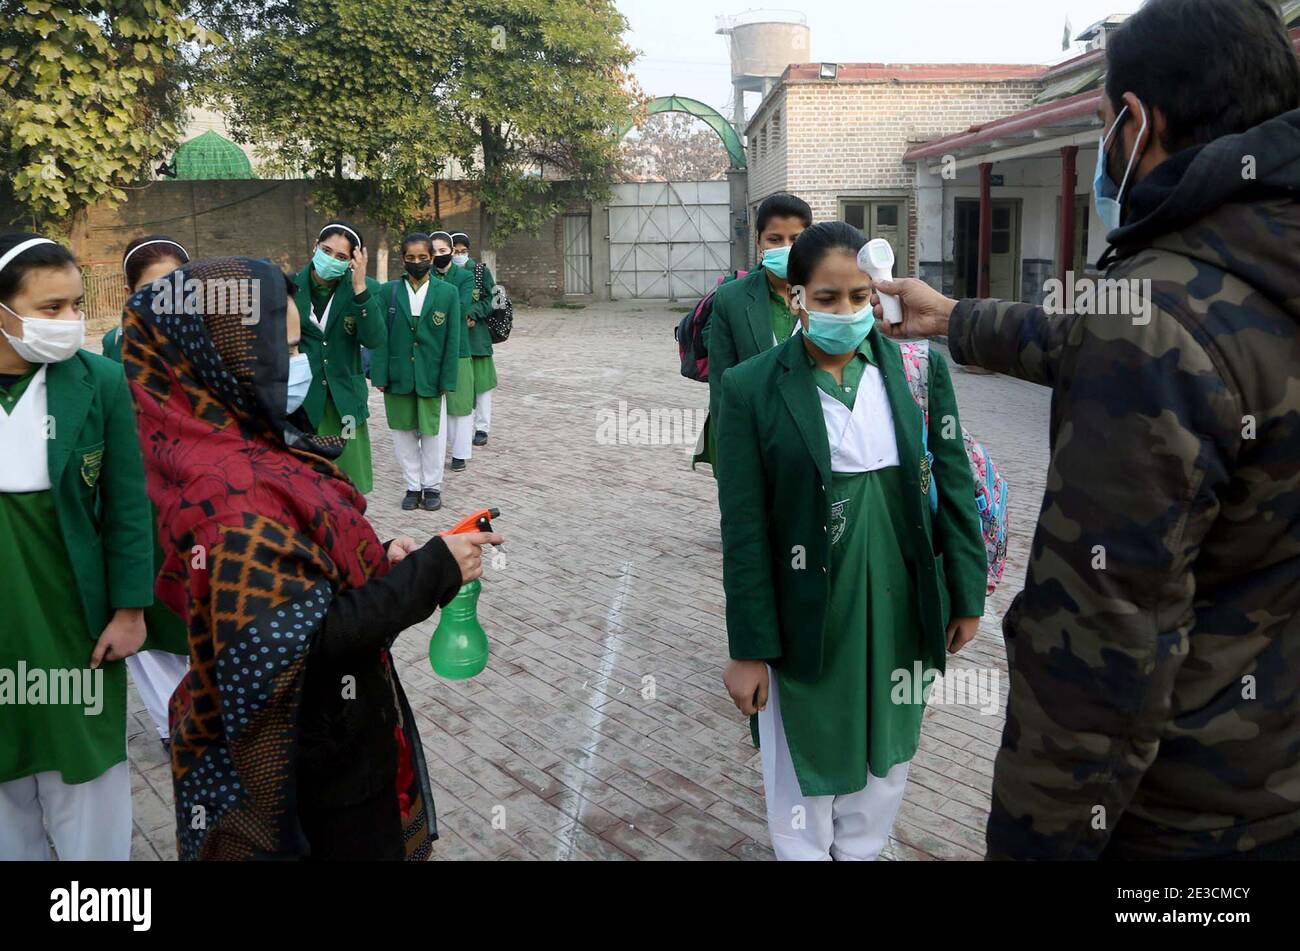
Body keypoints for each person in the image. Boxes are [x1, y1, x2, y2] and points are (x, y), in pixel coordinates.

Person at [874, 0, 1300, 861]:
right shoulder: (1250, 265)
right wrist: (955, 317)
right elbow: (1107, 340)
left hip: (1186, 816)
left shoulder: (1159, 313)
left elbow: (1102, 652)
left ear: (1136, 122)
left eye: (1106, 121)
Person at [121, 255, 501, 860]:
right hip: (307, 774)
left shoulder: (251, 443)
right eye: (288, 349)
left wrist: (379, 558)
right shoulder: (229, 497)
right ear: (229, 361)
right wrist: (432, 571)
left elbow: (296, 575)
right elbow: (302, 642)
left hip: (339, 739)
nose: (299, 365)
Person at [717, 222, 987, 861]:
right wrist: (749, 649)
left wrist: (966, 595)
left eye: (861, 297)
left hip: (900, 595)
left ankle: (864, 849)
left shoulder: (919, 372)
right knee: (805, 741)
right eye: (829, 298)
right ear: (797, 299)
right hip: (807, 606)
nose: (847, 311)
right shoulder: (753, 386)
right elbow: (746, 528)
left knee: (890, 735)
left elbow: (954, 483)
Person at [0, 233, 153, 860]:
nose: (69, 323)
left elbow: (127, 508)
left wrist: (129, 611)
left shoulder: (101, 383)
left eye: (75, 305)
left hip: (74, 622)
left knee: (86, 781)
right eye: (49, 308)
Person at [105, 235, 192, 748]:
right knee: (150, 617)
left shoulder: (212, 339)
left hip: (201, 498)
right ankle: (170, 724)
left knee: (200, 615)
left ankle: (209, 713)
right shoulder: (112, 352)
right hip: (142, 497)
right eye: (150, 290)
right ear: (129, 292)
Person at [699, 192, 812, 471]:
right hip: (755, 437)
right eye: (775, 239)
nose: (787, 247)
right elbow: (721, 381)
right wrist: (730, 451)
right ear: (759, 240)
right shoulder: (732, 298)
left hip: (815, 437)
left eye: (796, 239)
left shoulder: (829, 295)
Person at [292, 221, 385, 494]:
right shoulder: (288, 287)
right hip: (304, 403)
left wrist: (359, 288)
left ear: (353, 260)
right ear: (315, 247)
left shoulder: (365, 290)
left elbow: (374, 339)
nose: (331, 259)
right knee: (309, 482)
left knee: (348, 478)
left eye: (342, 257)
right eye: (326, 250)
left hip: (345, 403)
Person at [373, 233, 462, 512]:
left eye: (423, 258)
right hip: (397, 374)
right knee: (403, 434)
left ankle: (432, 486)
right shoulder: (388, 292)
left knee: (433, 434)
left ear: (432, 259)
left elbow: (452, 340)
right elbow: (379, 337)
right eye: (411, 258)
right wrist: (379, 375)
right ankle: (413, 486)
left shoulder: (447, 293)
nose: (417, 262)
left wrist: (448, 378)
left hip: (431, 376)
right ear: (403, 260)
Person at [429, 230, 477, 471]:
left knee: (459, 403)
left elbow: (461, 306)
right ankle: (434, 450)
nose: (439, 255)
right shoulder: (425, 275)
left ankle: (460, 453)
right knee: (433, 403)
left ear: (450, 250)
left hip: (457, 347)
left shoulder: (465, 277)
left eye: (443, 250)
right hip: (430, 349)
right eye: (434, 251)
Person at [451, 232, 497, 447]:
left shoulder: (480, 271)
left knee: (482, 386)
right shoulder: (443, 274)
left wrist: (473, 313)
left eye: (463, 251)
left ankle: (482, 428)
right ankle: (462, 429)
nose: (459, 255)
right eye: (455, 251)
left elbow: (492, 300)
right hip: (454, 341)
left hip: (477, 339)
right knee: (460, 387)